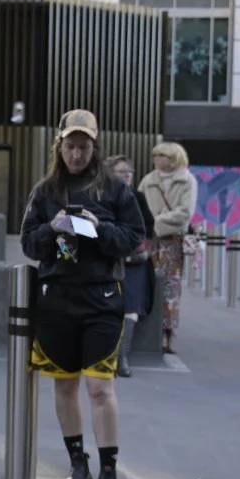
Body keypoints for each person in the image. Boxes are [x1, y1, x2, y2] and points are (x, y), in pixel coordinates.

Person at [20, 110, 144, 479]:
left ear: (95, 147)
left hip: (102, 298)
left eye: (84, 146)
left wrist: (100, 228)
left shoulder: (114, 189)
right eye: (70, 146)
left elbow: (134, 237)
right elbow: (28, 243)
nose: (76, 153)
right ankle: (79, 468)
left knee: (100, 388)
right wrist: (53, 228)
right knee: (63, 386)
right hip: (56, 300)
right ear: (59, 145)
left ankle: (108, 475)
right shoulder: (45, 190)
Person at [137, 142, 197, 354]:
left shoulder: (187, 180)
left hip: (171, 241)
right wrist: (149, 224)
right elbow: (138, 207)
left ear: (174, 159)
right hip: (149, 240)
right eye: (155, 156)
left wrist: (156, 222)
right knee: (147, 283)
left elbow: (184, 215)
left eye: (162, 156)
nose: (157, 159)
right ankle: (146, 330)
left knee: (170, 288)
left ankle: (168, 334)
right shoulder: (148, 180)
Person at [107, 156, 154, 378]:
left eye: (130, 171)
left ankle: (122, 357)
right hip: (107, 258)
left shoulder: (138, 197)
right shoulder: (101, 196)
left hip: (134, 260)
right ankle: (110, 355)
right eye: (121, 171)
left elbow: (149, 227)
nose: (127, 175)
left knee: (131, 307)